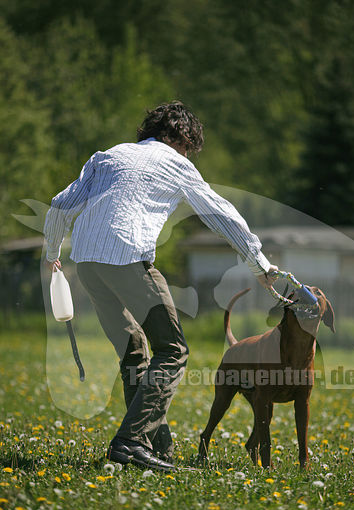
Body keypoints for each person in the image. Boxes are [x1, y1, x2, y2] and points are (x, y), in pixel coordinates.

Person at [44, 101, 278, 473]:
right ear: (181, 139)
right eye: (189, 147)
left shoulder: (107, 155)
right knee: (173, 351)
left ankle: (157, 449)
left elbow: (60, 205)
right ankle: (130, 442)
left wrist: (52, 252)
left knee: (133, 351)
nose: (188, 154)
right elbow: (220, 213)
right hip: (128, 259)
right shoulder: (176, 163)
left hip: (87, 261)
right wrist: (259, 264)